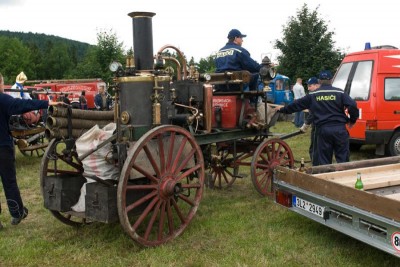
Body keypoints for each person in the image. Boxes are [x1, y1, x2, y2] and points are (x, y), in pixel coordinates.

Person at [0, 72, 62, 228]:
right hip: (3, 148)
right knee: (9, 182)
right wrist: (46, 104)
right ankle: (17, 213)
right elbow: (23, 105)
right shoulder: (3, 99)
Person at [276, 70, 359, 166]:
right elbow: (353, 105)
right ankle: (344, 179)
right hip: (339, 129)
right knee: (343, 160)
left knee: (324, 162)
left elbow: (296, 105)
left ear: (319, 81)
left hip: (323, 131)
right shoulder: (339, 92)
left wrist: (282, 109)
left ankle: (325, 178)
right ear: (331, 80)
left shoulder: (312, 95)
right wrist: (352, 120)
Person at [300, 77, 320, 165]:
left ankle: (316, 167)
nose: (308, 88)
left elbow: (313, 113)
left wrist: (306, 124)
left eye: (310, 86)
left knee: (314, 148)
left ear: (317, 85)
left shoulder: (315, 96)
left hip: (318, 126)